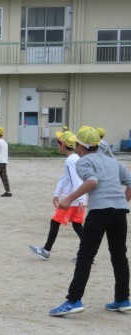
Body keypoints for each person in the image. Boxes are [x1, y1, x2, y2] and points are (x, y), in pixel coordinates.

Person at [49, 126, 131, 316]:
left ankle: (74, 300)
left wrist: (69, 199)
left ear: (80, 146)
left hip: (99, 212)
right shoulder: (113, 162)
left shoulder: (83, 161)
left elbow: (92, 181)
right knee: (119, 255)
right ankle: (123, 299)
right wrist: (121, 201)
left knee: (85, 256)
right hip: (119, 212)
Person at [29, 131, 86, 262]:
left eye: (59, 143)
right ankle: (88, 253)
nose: (58, 145)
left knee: (55, 222)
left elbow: (76, 181)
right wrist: (57, 193)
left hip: (71, 199)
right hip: (78, 199)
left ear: (64, 145)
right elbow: (65, 178)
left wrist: (79, 199)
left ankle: (46, 251)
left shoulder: (70, 161)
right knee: (77, 225)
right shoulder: (75, 158)